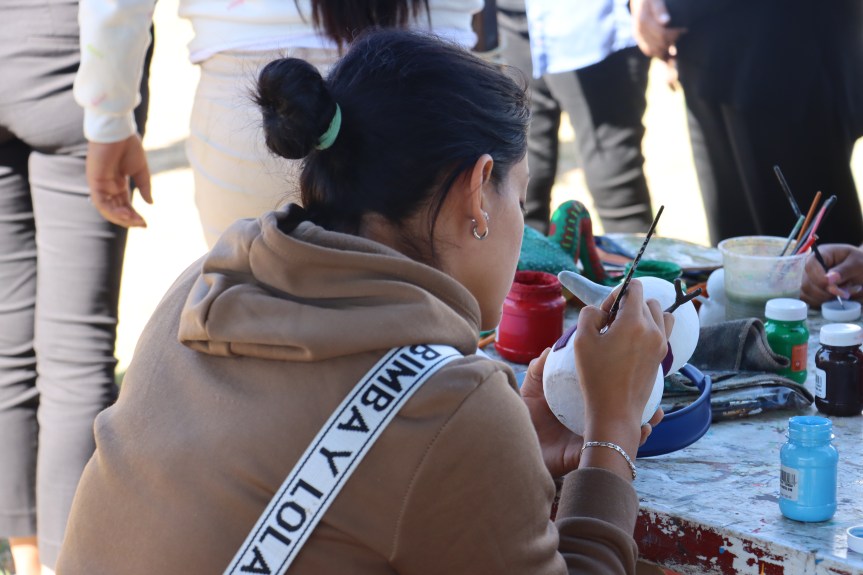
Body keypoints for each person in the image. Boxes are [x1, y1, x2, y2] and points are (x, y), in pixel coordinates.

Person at [56, 30, 672, 574]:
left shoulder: (204, 285)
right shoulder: (450, 406)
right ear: (478, 192)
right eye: (519, 194)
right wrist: (612, 430)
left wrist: (510, 455)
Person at [75, 0, 483, 247]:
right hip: (432, 89)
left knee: (252, 340)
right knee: (427, 350)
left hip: (250, 96)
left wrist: (108, 118)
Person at [0, 1, 150, 573]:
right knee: (76, 360)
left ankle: (28, 561)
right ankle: (66, 564)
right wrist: (112, 118)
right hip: (69, 60)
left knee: (9, 347)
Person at [631, 0, 863, 246]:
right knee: (735, 257)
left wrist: (665, 8)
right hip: (703, 53)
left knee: (817, 262)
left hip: (781, 54)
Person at [497, 0, 657, 235]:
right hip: (512, 20)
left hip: (589, 23)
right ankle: (527, 272)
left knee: (617, 188)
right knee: (521, 186)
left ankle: (641, 272)